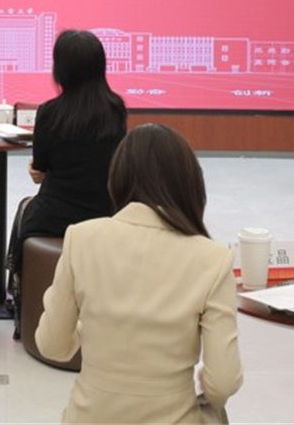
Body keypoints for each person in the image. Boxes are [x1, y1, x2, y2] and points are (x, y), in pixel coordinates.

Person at [35, 124, 242, 424]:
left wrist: (86, 321)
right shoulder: (214, 260)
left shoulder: (80, 239)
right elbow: (222, 383)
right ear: (190, 183)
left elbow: (53, 346)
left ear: (117, 179)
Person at [6, 29, 128, 327]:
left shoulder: (50, 112)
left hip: (57, 215)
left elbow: (40, 170)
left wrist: (38, 171)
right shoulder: (115, 109)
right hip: (105, 212)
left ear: (61, 69)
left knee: (25, 208)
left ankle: (18, 298)